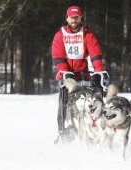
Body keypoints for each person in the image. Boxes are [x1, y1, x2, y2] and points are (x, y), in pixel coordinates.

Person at [51, 5, 107, 141]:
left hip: (84, 75)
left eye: (76, 17)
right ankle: (63, 132)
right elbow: (58, 56)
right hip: (67, 75)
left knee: (94, 99)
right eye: (72, 17)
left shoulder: (87, 35)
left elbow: (95, 55)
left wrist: (98, 72)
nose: (74, 20)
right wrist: (65, 72)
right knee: (65, 103)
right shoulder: (60, 35)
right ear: (67, 18)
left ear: (80, 18)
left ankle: (97, 131)